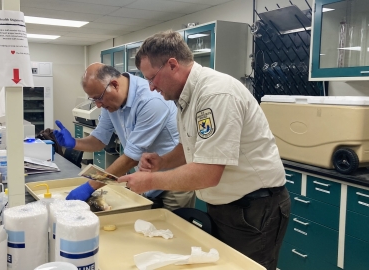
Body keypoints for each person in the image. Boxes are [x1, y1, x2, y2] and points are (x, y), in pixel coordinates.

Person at [117, 30, 291, 270]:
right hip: (225, 205)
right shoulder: (186, 97)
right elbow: (192, 145)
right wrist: (163, 162)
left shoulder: (215, 94)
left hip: (254, 209)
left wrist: (149, 181)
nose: (151, 87)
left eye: (152, 78)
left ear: (172, 65)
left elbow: (208, 172)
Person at [53, 63, 195, 211]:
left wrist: (90, 186)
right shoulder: (111, 101)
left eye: (99, 98)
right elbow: (100, 139)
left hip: (173, 180)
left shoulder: (150, 101)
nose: (98, 105)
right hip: (147, 177)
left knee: (170, 228)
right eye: (93, 100)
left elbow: (131, 158)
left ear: (114, 85)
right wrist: (74, 143)